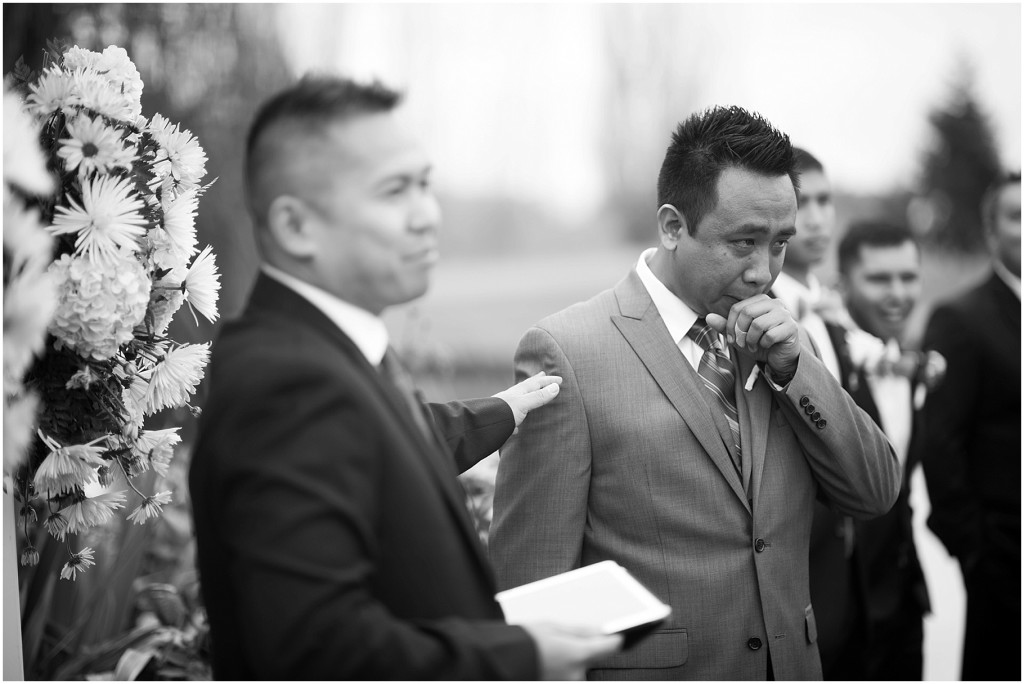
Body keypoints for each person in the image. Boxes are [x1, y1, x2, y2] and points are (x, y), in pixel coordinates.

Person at [188, 75, 622, 680]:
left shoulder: (327, 348)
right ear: (296, 227)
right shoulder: (288, 386)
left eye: (425, 185)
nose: (427, 216)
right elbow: (314, 650)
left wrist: (503, 409)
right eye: (395, 192)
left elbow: (383, 446)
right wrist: (521, 657)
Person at [489, 105, 901, 680]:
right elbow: (531, 590)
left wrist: (797, 370)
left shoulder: (780, 344)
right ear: (672, 226)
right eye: (743, 242)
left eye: (780, 243)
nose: (764, 271)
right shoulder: (567, 353)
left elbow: (875, 491)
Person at [813, 220, 934, 680]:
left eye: (908, 277)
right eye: (879, 279)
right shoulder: (827, 368)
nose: (897, 293)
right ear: (844, 285)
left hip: (905, 599)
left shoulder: (911, 361)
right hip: (844, 611)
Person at [920, 171, 1021, 681]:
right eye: (1016, 215)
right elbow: (940, 443)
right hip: (1003, 563)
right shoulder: (960, 318)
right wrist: (976, 553)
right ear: (991, 232)